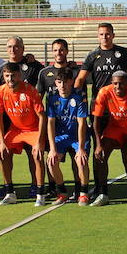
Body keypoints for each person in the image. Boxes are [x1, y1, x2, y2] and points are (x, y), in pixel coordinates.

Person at [91, 70, 127, 206]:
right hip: (115, 126)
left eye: (121, 84)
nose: (118, 87)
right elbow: (96, 120)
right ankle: (103, 194)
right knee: (101, 154)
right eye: (115, 83)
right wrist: (98, 144)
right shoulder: (104, 92)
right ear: (112, 83)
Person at [0, 61, 47, 205]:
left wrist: (40, 141)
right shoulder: (0, 91)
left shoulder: (30, 90)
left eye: (13, 76)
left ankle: (40, 193)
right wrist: (2, 142)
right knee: (2, 154)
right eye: (7, 76)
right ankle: (10, 192)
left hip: (33, 129)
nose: (10, 79)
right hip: (15, 130)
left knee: (37, 155)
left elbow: (42, 116)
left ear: (20, 75)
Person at [44, 68, 90, 204]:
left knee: (81, 161)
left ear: (71, 82)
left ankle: (83, 192)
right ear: (55, 83)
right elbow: (50, 124)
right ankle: (62, 192)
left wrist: (81, 148)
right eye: (59, 82)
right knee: (51, 161)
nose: (62, 85)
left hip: (78, 136)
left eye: (65, 82)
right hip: (62, 136)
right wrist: (52, 149)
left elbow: (82, 123)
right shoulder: (52, 98)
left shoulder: (79, 96)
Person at [77, 22, 127, 97]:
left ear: (113, 36)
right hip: (99, 99)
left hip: (120, 99)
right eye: (101, 34)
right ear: (98, 36)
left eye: (107, 34)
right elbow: (80, 78)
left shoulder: (124, 52)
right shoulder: (92, 55)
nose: (104, 37)